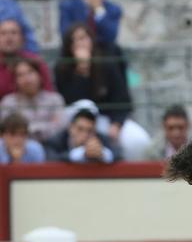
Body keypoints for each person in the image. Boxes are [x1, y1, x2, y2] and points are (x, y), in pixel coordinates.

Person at [54, 23, 151, 159]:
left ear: (91, 40)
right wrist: (82, 70)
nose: (79, 43)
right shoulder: (62, 70)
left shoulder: (107, 64)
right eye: (74, 40)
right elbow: (72, 102)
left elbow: (122, 100)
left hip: (106, 120)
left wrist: (116, 124)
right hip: (76, 122)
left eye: (83, 38)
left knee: (139, 140)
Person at [0, 58, 65, 142]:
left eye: (30, 72)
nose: (27, 79)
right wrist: (44, 126)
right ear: (15, 81)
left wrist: (28, 129)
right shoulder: (8, 102)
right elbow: (9, 131)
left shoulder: (54, 99)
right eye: (20, 75)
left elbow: (60, 128)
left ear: (40, 75)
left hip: (52, 147)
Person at [0, 19, 52, 100]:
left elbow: (49, 95)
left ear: (22, 38)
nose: (9, 37)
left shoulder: (35, 61)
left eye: (14, 33)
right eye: (3, 33)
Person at [44, 106, 118, 163]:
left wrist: (103, 153)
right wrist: (80, 154)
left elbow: (119, 154)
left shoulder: (101, 138)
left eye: (89, 130)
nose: (85, 134)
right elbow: (50, 158)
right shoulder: (56, 140)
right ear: (70, 128)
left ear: (94, 131)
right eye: (80, 129)